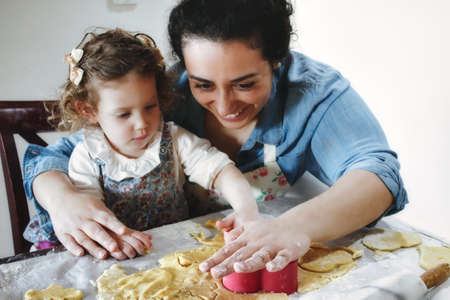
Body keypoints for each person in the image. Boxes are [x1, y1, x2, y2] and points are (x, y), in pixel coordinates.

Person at [23, 0, 408, 277]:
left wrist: (294, 226)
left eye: (245, 84)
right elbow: (57, 158)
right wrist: (63, 199)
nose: (224, 106)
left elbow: (377, 171)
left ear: (277, 60)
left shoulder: (314, 94)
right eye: (203, 84)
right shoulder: (157, 97)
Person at [23, 28, 259, 259]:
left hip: (179, 253)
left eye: (150, 107)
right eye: (124, 114)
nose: (142, 124)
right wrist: (117, 241)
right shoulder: (89, 156)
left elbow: (221, 170)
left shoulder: (174, 140)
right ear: (89, 110)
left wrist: (246, 210)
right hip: (121, 258)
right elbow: (92, 216)